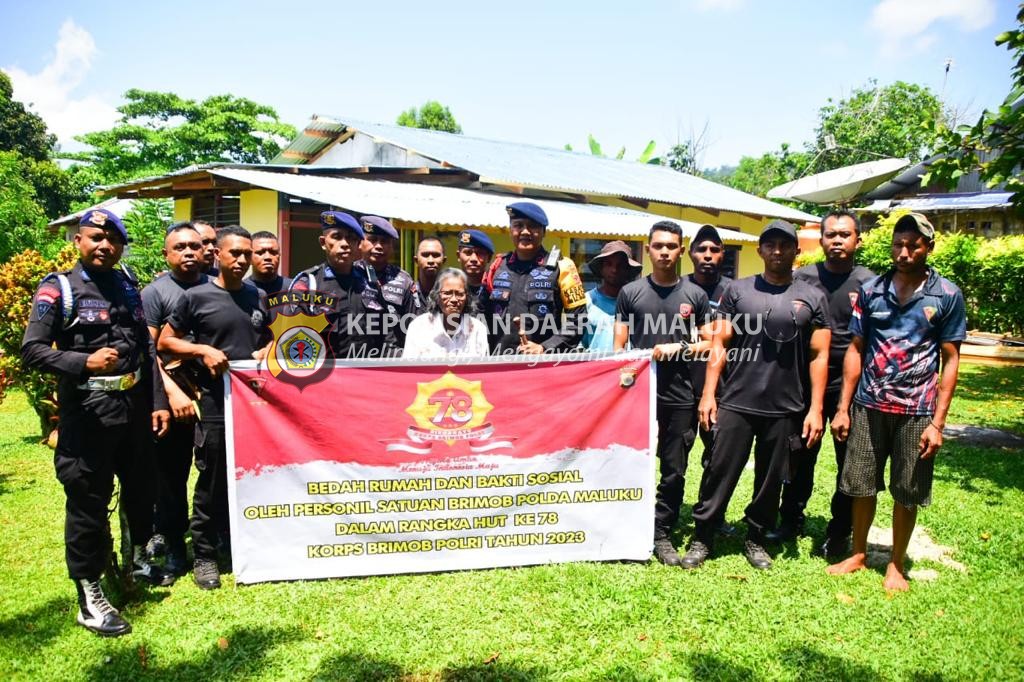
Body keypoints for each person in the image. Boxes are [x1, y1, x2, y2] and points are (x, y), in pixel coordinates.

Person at [22, 209, 172, 637]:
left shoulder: (125, 284)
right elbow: (32, 350)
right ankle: (89, 596)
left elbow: (145, 347)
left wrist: (157, 401)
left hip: (133, 408)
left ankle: (136, 561)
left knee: (143, 492)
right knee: (88, 505)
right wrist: (82, 362)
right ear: (78, 242)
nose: (104, 245)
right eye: (95, 238)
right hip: (87, 413)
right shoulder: (60, 289)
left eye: (113, 239)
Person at [827, 212, 965, 592]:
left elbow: (951, 359)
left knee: (908, 489)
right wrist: (843, 407)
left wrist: (938, 422)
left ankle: (896, 564)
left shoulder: (947, 295)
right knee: (860, 483)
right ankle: (857, 553)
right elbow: (856, 348)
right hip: (869, 406)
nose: (904, 252)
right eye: (898, 244)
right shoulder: (871, 291)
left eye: (913, 245)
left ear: (928, 247)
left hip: (917, 411)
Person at [686, 220, 831, 570]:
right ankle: (703, 536)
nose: (777, 251)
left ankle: (756, 538)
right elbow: (719, 344)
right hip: (737, 399)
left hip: (786, 406)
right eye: (770, 245)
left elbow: (819, 355)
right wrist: (709, 395)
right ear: (760, 250)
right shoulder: (738, 291)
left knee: (770, 480)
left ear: (797, 250)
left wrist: (815, 409)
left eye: (785, 245)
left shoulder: (813, 297)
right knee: (719, 471)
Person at [159, 225, 270, 590]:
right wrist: (202, 350)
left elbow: (265, 339)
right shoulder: (196, 297)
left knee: (254, 475)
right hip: (213, 403)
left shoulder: (257, 297)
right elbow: (166, 342)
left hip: (253, 404)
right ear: (217, 255)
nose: (241, 260)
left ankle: (241, 543)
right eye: (234, 253)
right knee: (211, 479)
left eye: (246, 254)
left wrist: (267, 350)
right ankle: (205, 555)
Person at [769, 210, 875, 557]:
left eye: (845, 235)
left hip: (851, 383)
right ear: (822, 240)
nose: (837, 241)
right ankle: (791, 518)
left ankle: (839, 530)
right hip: (805, 378)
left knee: (848, 458)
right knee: (800, 454)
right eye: (831, 235)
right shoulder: (804, 279)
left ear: (858, 239)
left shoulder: (870, 284)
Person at [614, 221, 712, 566]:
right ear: (649, 249)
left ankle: (661, 533)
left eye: (672, 246)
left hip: (680, 394)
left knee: (673, 468)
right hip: (638, 394)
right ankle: (628, 529)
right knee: (630, 462)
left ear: (681, 250)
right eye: (659, 246)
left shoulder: (696, 295)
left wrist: (679, 347)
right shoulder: (630, 293)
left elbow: (709, 344)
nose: (665, 252)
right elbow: (619, 348)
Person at [141, 222, 208, 577]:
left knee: (212, 472)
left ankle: (210, 540)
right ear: (166, 254)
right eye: (179, 247)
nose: (188, 253)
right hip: (173, 399)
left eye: (194, 246)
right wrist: (171, 392)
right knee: (172, 475)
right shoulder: (156, 293)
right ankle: (173, 547)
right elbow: (147, 349)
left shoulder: (214, 288)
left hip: (210, 396)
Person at [484, 202, 587, 354]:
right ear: (510, 230)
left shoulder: (563, 267)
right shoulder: (497, 267)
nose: (525, 232)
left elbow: (579, 320)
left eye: (532, 226)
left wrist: (545, 348)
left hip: (542, 366)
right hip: (499, 364)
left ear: (544, 232)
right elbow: (482, 312)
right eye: (518, 225)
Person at [290, 211, 377, 358]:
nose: (344, 244)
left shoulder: (369, 281)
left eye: (351, 238)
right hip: (326, 374)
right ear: (323, 243)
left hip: (367, 373)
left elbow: (384, 330)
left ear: (357, 244)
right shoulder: (308, 284)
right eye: (337, 237)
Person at [686, 224, 733, 454]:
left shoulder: (735, 292)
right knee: (674, 462)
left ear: (723, 253)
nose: (707, 254)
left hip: (722, 390)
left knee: (717, 458)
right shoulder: (677, 288)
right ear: (690, 252)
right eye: (701, 249)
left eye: (714, 249)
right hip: (682, 387)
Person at [356, 216, 417, 356]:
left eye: (384, 242)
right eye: (372, 240)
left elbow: (413, 325)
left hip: (392, 360)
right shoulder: (348, 274)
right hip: (354, 359)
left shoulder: (403, 280)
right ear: (360, 243)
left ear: (391, 247)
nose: (378, 246)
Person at [403, 268, 489, 358]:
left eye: (459, 294)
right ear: (437, 296)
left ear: (467, 297)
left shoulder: (478, 329)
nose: (454, 300)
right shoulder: (418, 327)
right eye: (447, 293)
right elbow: (410, 369)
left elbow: (483, 370)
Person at [582, 240, 641, 352]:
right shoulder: (587, 301)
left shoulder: (636, 302)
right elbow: (579, 343)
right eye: (608, 264)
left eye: (620, 266)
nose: (614, 270)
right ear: (601, 268)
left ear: (628, 270)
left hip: (628, 368)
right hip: (595, 367)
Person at [456, 229, 494, 310]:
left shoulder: (495, 288)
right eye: (468, 252)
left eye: (480, 253)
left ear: (489, 258)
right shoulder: (451, 288)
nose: (473, 258)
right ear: (458, 256)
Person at [245, 231, 291, 296]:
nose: (268, 257)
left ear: (279, 255)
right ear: (249, 258)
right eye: (260, 252)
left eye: (273, 252)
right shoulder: (240, 291)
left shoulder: (293, 289)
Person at [411, 236, 446, 312]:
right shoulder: (408, 295)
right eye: (425, 255)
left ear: (444, 260)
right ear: (416, 260)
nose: (430, 260)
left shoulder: (451, 296)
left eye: (436, 255)